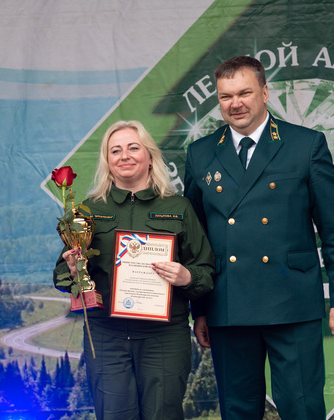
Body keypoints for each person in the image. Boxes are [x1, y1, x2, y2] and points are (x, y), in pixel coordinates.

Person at [184, 55, 334, 419]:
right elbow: (195, 242)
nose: (235, 103)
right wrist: (199, 310)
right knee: (238, 410)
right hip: (228, 304)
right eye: (226, 96)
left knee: (303, 407)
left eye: (244, 93)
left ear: (264, 93)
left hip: (292, 302)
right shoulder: (200, 154)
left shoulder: (305, 145)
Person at [53, 120, 215, 420]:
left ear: (150, 156)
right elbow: (61, 276)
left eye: (133, 148)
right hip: (107, 336)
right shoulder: (88, 210)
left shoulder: (179, 207)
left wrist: (187, 277)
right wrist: (73, 270)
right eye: (115, 150)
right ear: (107, 161)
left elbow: (205, 270)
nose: (124, 156)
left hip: (164, 337)